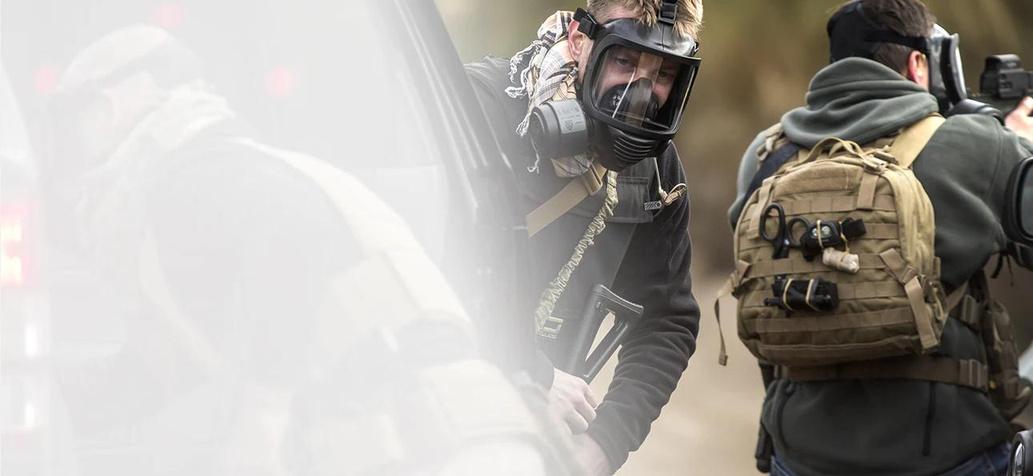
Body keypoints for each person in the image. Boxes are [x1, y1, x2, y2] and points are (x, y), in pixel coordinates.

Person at [43, 25, 558, 476]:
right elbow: (158, 374)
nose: (69, 145)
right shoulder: (233, 181)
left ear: (115, 103)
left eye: (74, 117)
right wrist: (42, 392)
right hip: (439, 446)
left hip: (442, 453)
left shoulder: (202, 176)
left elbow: (292, 247)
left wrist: (261, 419)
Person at [727, 1, 1033, 474]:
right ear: (918, 63)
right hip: (945, 457)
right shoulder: (977, 143)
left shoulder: (768, 155)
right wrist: (1020, 145)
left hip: (799, 458)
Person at [466, 0, 703, 473]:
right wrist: (529, 374)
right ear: (579, 39)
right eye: (624, 61)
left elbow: (667, 321)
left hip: (540, 448)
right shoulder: (476, 107)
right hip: (435, 412)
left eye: (663, 73)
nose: (641, 92)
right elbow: (416, 256)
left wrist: (602, 446)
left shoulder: (655, 169)